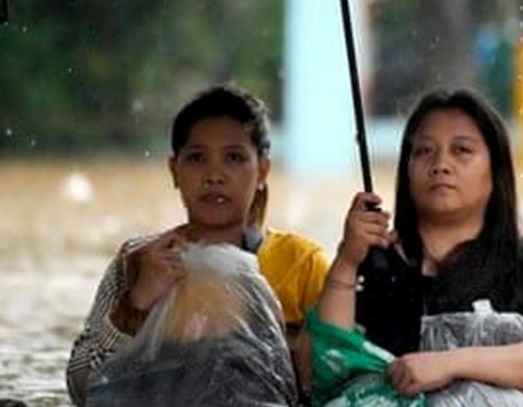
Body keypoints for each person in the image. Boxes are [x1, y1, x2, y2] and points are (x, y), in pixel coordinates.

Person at [314, 88, 523, 399]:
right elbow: (322, 370)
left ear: (496, 169)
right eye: (424, 151)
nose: (440, 164)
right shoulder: (374, 263)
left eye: (461, 150)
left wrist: (451, 364)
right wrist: (347, 260)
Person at [66, 83, 331, 406]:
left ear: (262, 171)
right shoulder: (139, 260)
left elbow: (340, 382)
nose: (214, 175)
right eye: (196, 158)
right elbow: (82, 387)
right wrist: (136, 306)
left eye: (233, 158)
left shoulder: (302, 264)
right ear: (174, 170)